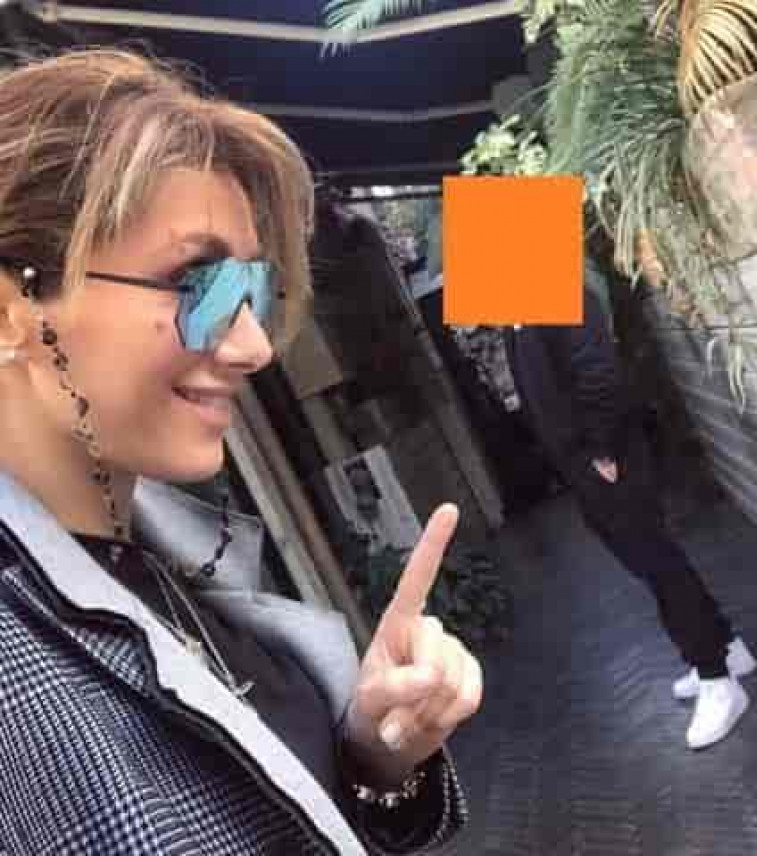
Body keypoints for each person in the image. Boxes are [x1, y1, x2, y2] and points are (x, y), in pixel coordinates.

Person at [0, 50, 482, 854]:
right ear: (12, 313)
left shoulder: (168, 563)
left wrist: (377, 756)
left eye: (249, 289)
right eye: (199, 284)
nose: (254, 346)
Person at [503, 264, 755, 750]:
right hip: (585, 464)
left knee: (658, 564)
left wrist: (601, 450)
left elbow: (598, 370)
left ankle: (717, 678)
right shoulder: (516, 312)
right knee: (653, 560)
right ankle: (724, 646)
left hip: (608, 458)